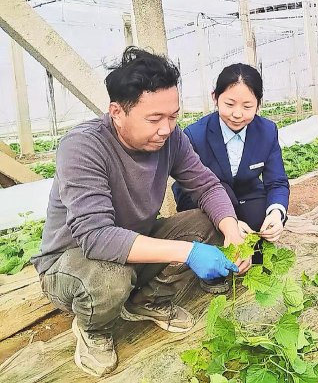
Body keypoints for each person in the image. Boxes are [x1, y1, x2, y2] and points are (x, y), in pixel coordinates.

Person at [30, 47, 251, 377]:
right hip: (74, 262)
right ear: (117, 112)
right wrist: (187, 252)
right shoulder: (84, 147)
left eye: (173, 116)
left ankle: (145, 301)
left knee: (209, 222)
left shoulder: (171, 139)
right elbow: (96, 237)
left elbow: (207, 186)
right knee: (110, 278)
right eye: (154, 119)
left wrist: (231, 230)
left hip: (133, 244)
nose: (166, 128)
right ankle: (93, 329)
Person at [172, 63, 289, 271]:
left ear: (258, 104)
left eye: (247, 106)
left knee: (259, 215)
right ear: (215, 97)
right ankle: (218, 268)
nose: (237, 114)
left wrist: (276, 214)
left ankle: (256, 266)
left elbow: (277, 181)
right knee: (216, 211)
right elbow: (184, 192)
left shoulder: (267, 131)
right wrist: (229, 222)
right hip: (208, 203)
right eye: (229, 104)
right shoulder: (194, 135)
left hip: (247, 195)